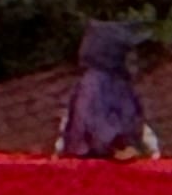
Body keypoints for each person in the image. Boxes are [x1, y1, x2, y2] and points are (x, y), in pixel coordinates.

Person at [51, 19, 159, 160]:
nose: (133, 58)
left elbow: (131, 116)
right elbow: (93, 120)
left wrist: (141, 145)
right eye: (127, 52)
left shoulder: (120, 83)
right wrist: (117, 147)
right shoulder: (94, 83)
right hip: (92, 162)